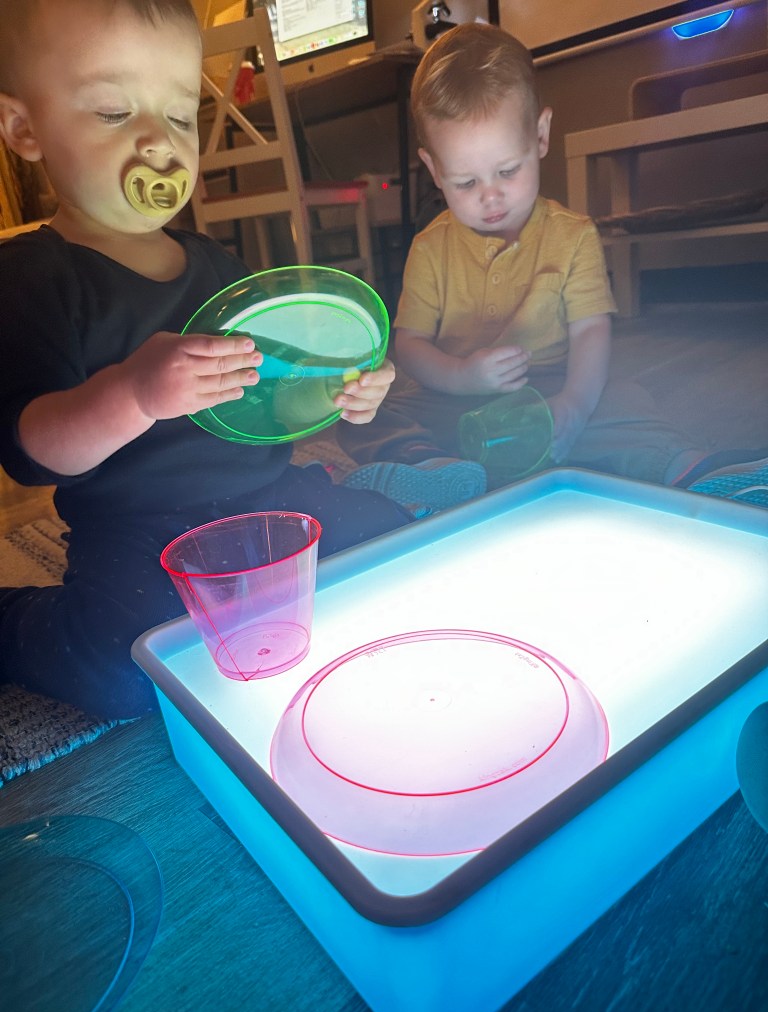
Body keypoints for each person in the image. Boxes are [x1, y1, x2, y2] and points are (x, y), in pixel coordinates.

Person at [0, 0, 483, 721]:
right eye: (113, 112)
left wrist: (343, 388)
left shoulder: (216, 266)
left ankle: (370, 484)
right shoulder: (33, 275)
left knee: (385, 548)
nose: (158, 143)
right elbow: (32, 450)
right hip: (139, 528)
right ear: (24, 129)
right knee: (130, 668)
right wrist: (133, 395)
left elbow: (277, 387)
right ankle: (16, 620)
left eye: (179, 115)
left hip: (266, 497)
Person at [337, 22, 768, 502]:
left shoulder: (573, 235)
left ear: (540, 136)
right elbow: (411, 344)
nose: (490, 196)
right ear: (435, 169)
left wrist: (575, 406)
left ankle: (689, 469)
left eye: (507, 171)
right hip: (455, 398)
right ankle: (430, 467)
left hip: (549, 390)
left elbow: (591, 331)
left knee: (622, 399)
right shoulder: (430, 247)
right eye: (465, 183)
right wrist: (461, 375)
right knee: (365, 412)